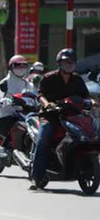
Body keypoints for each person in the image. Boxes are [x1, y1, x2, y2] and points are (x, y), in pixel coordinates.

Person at [30, 49, 93, 189]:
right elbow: (40, 95)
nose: (69, 64)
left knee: (88, 135)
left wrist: (91, 102)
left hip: (72, 116)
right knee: (43, 141)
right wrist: (47, 104)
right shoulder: (48, 77)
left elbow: (85, 96)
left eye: (72, 62)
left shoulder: (77, 79)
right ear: (60, 62)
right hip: (51, 116)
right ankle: (37, 176)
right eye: (66, 62)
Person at [0, 55, 34, 158]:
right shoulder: (4, 83)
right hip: (6, 114)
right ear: (11, 67)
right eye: (17, 66)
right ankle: (3, 148)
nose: (21, 69)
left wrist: (30, 102)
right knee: (14, 126)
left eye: (23, 66)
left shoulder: (27, 84)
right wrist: (4, 101)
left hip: (23, 113)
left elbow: (33, 96)